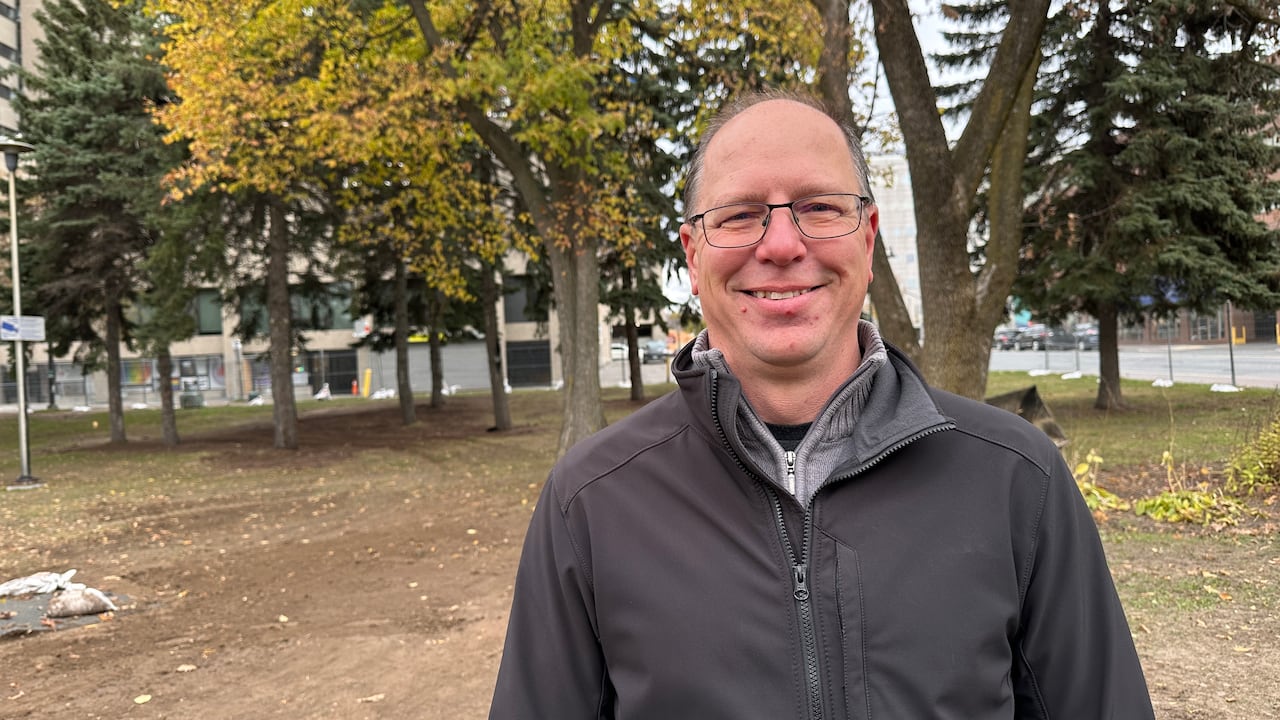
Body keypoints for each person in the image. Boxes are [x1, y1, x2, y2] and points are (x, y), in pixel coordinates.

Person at [489, 89, 1155, 719]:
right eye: (741, 215)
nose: (781, 244)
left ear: (867, 242)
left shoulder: (1015, 480)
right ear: (693, 257)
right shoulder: (592, 501)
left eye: (820, 207)